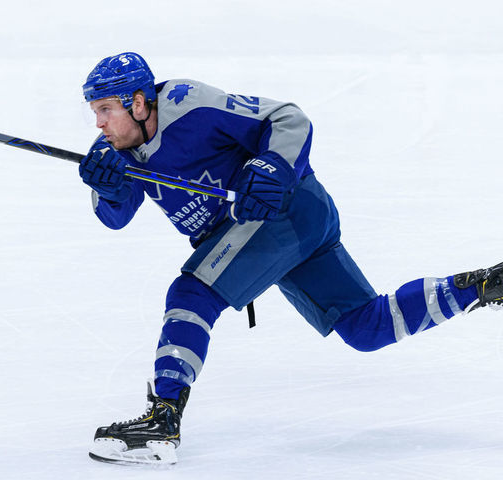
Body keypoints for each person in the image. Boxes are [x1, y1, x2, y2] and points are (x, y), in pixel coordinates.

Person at [79, 52, 503, 465]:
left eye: (105, 109)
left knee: (193, 293)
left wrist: (273, 166)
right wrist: (109, 187)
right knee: (366, 327)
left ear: (138, 102)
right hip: (286, 227)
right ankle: (484, 285)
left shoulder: (188, 104)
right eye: (93, 112)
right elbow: (113, 216)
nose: (98, 123)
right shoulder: (114, 148)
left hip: (285, 210)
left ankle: (163, 419)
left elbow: (288, 118)